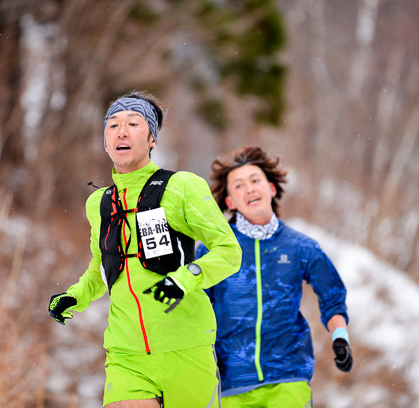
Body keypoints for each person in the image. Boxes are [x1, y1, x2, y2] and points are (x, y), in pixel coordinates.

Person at [48, 91, 242, 408]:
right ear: (105, 140)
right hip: (126, 353)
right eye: (113, 125)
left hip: (185, 347)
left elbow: (228, 251)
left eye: (133, 124)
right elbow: (101, 267)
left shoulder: (182, 187)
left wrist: (187, 276)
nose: (121, 131)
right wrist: (76, 295)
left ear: (152, 138)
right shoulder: (99, 204)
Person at [196, 146, 353, 407]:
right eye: (239, 185)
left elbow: (332, 296)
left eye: (255, 181)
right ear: (230, 202)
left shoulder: (300, 246)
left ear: (271, 188)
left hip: (289, 377)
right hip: (232, 382)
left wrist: (341, 338)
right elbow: (195, 304)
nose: (249, 189)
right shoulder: (216, 249)